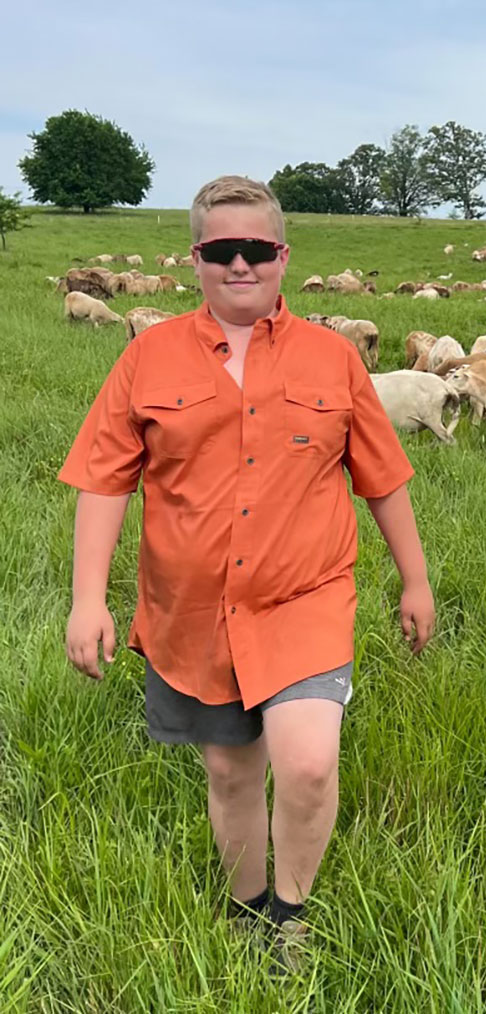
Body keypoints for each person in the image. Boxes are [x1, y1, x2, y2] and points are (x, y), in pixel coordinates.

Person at [60, 175, 435, 971]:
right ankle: (245, 911)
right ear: (194, 257)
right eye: (221, 250)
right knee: (232, 774)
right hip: (191, 609)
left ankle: (290, 917)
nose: (240, 264)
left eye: (255, 249)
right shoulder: (147, 357)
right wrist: (87, 599)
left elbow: (383, 477)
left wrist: (416, 580)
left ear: (283, 257)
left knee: (306, 763)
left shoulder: (333, 359)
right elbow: (103, 479)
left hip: (306, 594)